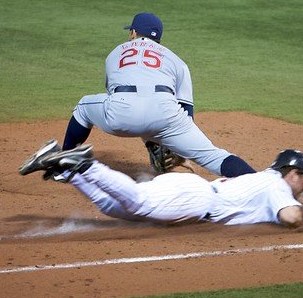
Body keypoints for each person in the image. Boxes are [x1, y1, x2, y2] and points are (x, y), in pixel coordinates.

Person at [20, 12, 257, 178]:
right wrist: (175, 146)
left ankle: (65, 161)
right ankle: (264, 185)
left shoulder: (115, 53)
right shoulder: (175, 59)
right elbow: (186, 112)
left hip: (122, 114)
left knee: (84, 106)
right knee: (215, 156)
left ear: (133, 32)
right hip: (167, 115)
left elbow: (116, 95)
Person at [20, 145, 303, 229]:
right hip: (195, 197)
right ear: (292, 173)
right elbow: (291, 218)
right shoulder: (277, 185)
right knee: (134, 202)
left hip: (192, 189)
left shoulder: (263, 179)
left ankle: (66, 169)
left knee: (114, 208)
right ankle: (85, 164)